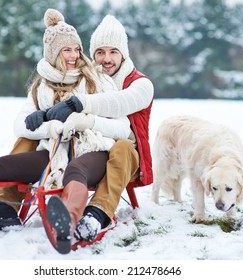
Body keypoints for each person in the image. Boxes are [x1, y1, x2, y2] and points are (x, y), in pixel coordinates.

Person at [0, 9, 131, 254]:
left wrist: (86, 121)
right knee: (3, 165)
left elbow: (123, 127)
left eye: (77, 49)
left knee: (76, 170)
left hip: (94, 149)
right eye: (67, 50)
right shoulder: (41, 87)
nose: (74, 55)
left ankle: (68, 224)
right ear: (53, 53)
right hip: (54, 151)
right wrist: (48, 125)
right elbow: (19, 125)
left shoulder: (98, 80)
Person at [45, 15, 154, 242]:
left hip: (128, 158)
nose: (106, 59)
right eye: (100, 52)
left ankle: (98, 214)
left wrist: (80, 104)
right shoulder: (85, 78)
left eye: (113, 51)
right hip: (89, 152)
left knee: (122, 147)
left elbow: (118, 103)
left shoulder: (141, 84)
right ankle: (4, 205)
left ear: (123, 53)